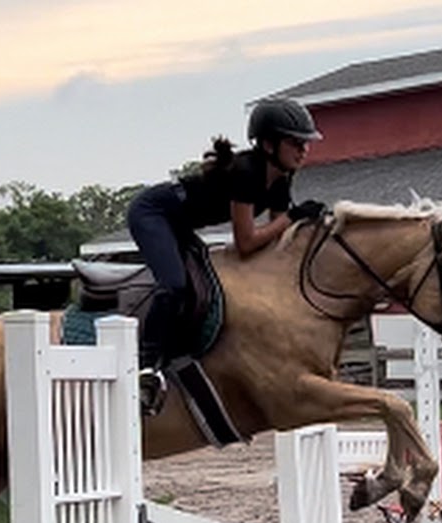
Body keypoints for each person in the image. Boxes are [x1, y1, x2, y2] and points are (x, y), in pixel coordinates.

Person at [127, 97, 326, 414]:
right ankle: (145, 367)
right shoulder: (247, 172)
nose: (304, 150)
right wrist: (293, 217)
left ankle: (181, 357)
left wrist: (308, 227)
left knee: (206, 286)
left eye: (306, 143)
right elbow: (246, 243)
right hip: (153, 213)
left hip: (180, 223)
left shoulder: (281, 178)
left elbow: (278, 240)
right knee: (174, 285)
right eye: (295, 142)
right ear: (269, 144)